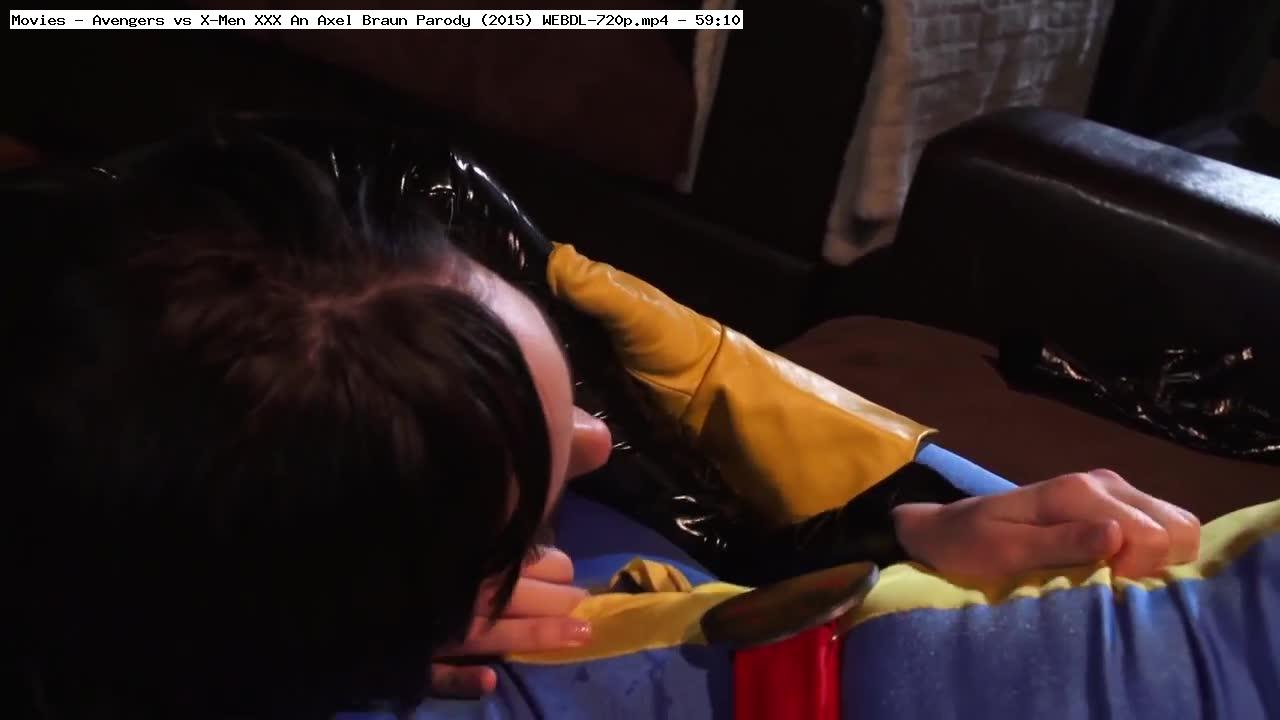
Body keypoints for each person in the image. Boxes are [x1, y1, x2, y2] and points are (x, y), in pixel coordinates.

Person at [10, 128, 1203, 719]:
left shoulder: (380, 229)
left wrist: (910, 523)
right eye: (521, 530)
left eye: (571, 389)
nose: (598, 442)